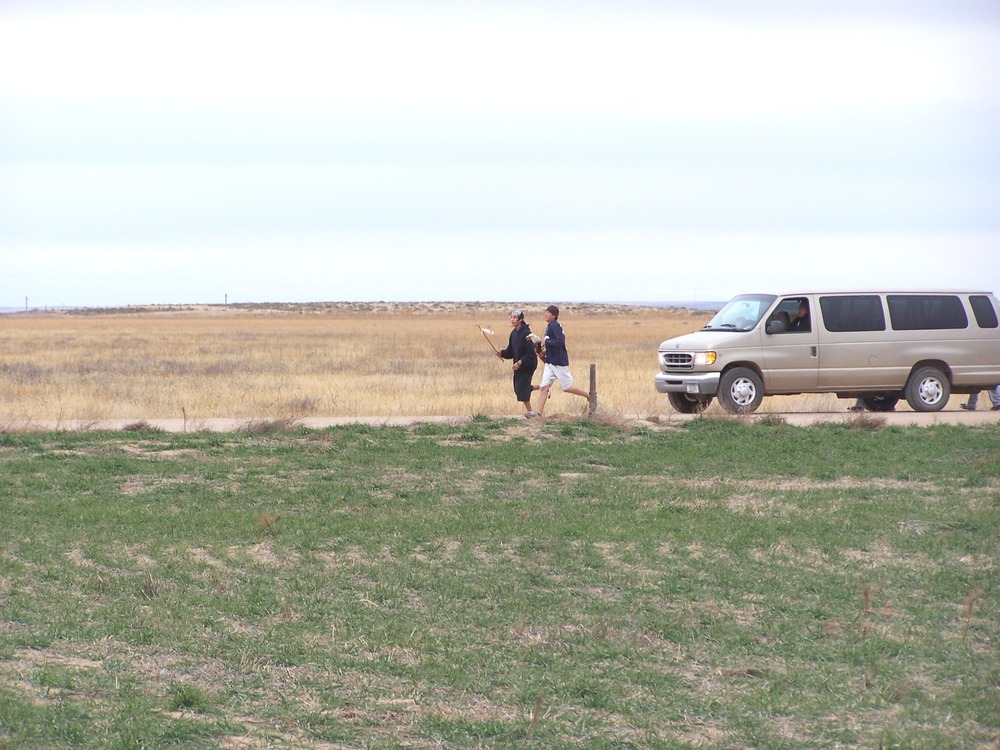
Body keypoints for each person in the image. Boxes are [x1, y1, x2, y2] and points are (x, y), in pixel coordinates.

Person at [533, 305, 591, 417]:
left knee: (566, 387)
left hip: (558, 361)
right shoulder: (550, 326)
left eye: (548, 313)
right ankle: (538, 414)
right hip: (550, 362)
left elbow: (560, 342)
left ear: (554, 316)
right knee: (544, 387)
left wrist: (545, 342)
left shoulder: (555, 326)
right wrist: (543, 350)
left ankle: (589, 396)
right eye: (545, 312)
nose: (545, 314)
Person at [497, 309, 538, 417]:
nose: (512, 320)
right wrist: (502, 353)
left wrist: (519, 363)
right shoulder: (513, 333)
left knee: (521, 389)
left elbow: (530, 353)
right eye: (511, 317)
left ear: (520, 319)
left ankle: (530, 412)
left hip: (528, 364)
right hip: (518, 366)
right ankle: (542, 388)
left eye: (515, 317)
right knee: (518, 388)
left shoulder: (526, 333)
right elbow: (510, 351)